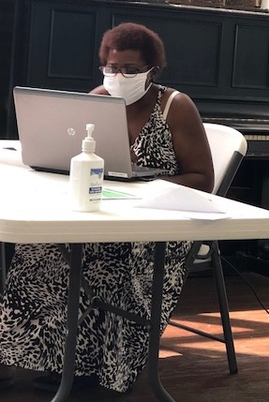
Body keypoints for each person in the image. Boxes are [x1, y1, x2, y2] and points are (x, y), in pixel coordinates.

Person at [0, 22, 214, 393]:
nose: (119, 76)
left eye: (130, 70)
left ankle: (98, 368)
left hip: (157, 228)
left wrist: (144, 187)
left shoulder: (175, 107)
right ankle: (47, 358)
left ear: (153, 71)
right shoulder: (98, 98)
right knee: (40, 249)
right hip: (107, 215)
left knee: (101, 258)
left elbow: (202, 178)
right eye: (112, 68)